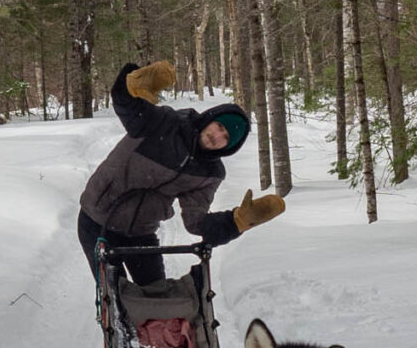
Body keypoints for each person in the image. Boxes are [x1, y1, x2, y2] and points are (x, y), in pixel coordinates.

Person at [77, 59, 285, 283]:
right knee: (115, 298)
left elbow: (196, 221)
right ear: (211, 119)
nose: (217, 137)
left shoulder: (210, 173)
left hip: (141, 232)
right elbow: (126, 105)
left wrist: (238, 222)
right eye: (220, 127)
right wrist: (131, 84)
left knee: (156, 298)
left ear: (229, 148)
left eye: (226, 139)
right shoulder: (165, 122)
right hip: (97, 220)